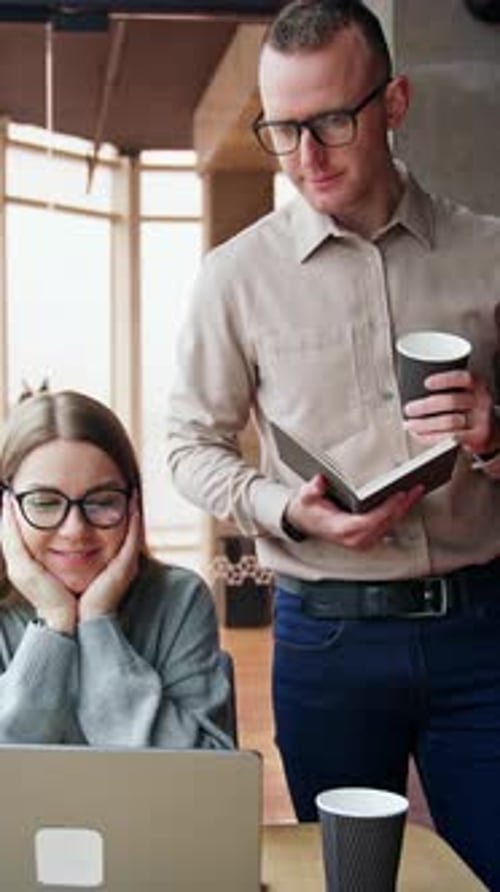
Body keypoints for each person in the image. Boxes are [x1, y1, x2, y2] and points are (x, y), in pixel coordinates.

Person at [166, 0, 500, 885]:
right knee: (348, 881)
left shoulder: (490, 255)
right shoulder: (235, 278)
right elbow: (188, 446)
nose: (305, 156)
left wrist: (493, 433)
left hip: (484, 631)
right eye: (283, 130)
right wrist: (289, 510)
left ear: (395, 103)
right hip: (327, 642)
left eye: (331, 123)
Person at [0, 389, 232, 749]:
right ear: (5, 510)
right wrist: (54, 621)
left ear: (133, 505)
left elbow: (203, 770)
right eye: (45, 502)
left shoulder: (180, 598)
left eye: (102, 501)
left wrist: (97, 624)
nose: (75, 530)